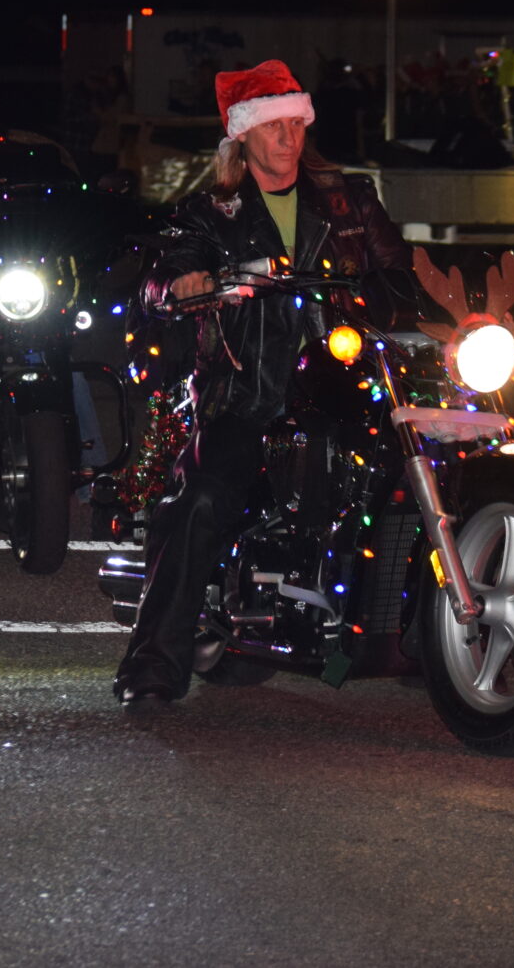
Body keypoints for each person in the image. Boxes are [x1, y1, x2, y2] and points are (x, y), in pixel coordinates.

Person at [112, 59, 411, 709]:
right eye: (272, 124)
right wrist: (184, 285)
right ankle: (153, 662)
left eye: (295, 122)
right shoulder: (211, 212)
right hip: (249, 396)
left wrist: (440, 306)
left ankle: (417, 630)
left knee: (414, 474)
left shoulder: (349, 200)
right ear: (241, 135)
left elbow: (400, 278)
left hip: (348, 385)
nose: (287, 136)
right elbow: (163, 277)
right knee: (198, 504)